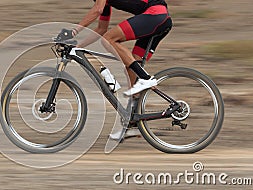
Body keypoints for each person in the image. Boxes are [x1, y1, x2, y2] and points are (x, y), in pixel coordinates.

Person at [59, 0, 172, 140]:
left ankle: (145, 78)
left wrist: (73, 32)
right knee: (130, 71)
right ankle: (132, 124)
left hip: (155, 15)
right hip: (158, 20)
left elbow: (97, 10)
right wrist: (77, 47)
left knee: (108, 40)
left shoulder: (101, 3)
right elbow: (101, 28)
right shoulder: (104, 3)